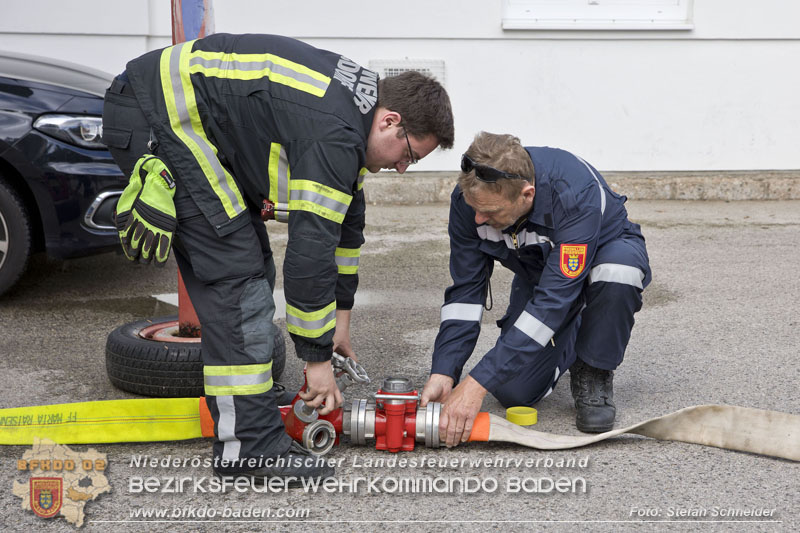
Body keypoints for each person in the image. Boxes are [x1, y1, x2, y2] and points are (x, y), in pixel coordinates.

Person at [102, 33, 454, 482]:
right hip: (159, 118)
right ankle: (249, 449)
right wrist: (317, 363)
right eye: (409, 155)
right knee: (237, 277)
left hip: (178, 114)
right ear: (390, 121)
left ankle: (250, 410)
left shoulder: (354, 112)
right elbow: (309, 256)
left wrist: (337, 329)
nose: (403, 169)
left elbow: (345, 232)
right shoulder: (335, 132)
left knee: (253, 266)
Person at [421, 132, 650, 447]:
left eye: (490, 213)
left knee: (618, 273)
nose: (478, 218)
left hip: (604, 252)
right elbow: (465, 294)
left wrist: (475, 386)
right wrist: (445, 370)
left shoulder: (573, 194)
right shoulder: (471, 201)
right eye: (475, 209)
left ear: (526, 195)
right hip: (543, 275)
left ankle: (594, 368)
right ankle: (578, 322)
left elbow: (550, 304)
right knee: (514, 391)